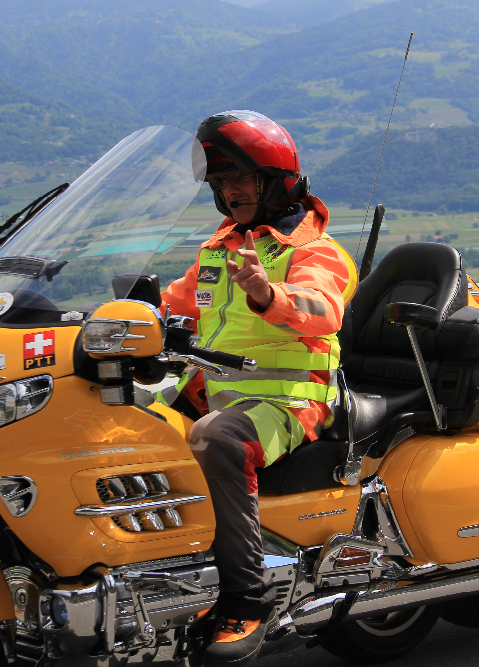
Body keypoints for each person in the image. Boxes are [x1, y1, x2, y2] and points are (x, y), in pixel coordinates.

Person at [159, 110, 357, 665]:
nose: (230, 191)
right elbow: (168, 305)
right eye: (222, 181)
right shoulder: (219, 249)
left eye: (241, 178)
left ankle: (247, 599)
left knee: (215, 440)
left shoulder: (315, 249)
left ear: (274, 180)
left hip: (291, 400)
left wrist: (269, 294)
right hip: (218, 392)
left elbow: (323, 307)